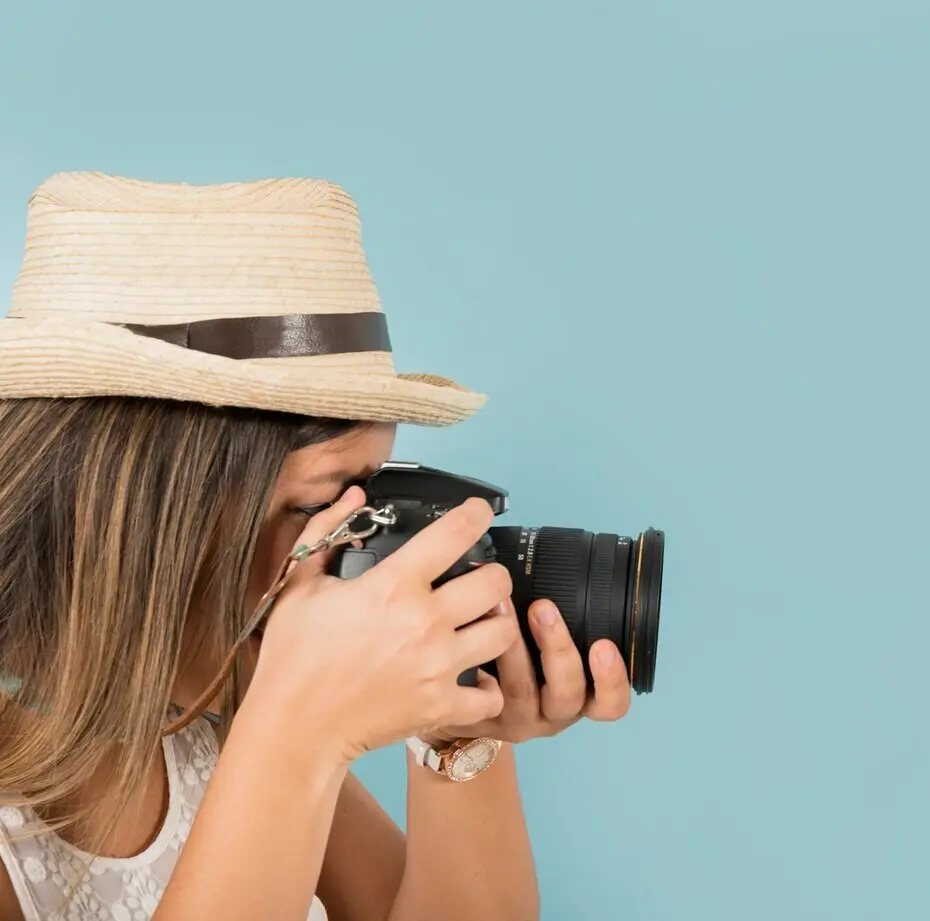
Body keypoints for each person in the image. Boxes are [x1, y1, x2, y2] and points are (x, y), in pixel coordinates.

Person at [0, 172, 632, 920]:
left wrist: (456, 735)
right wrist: (299, 732)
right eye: (317, 507)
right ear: (134, 509)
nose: (351, 555)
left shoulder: (209, 712)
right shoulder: (268, 727)